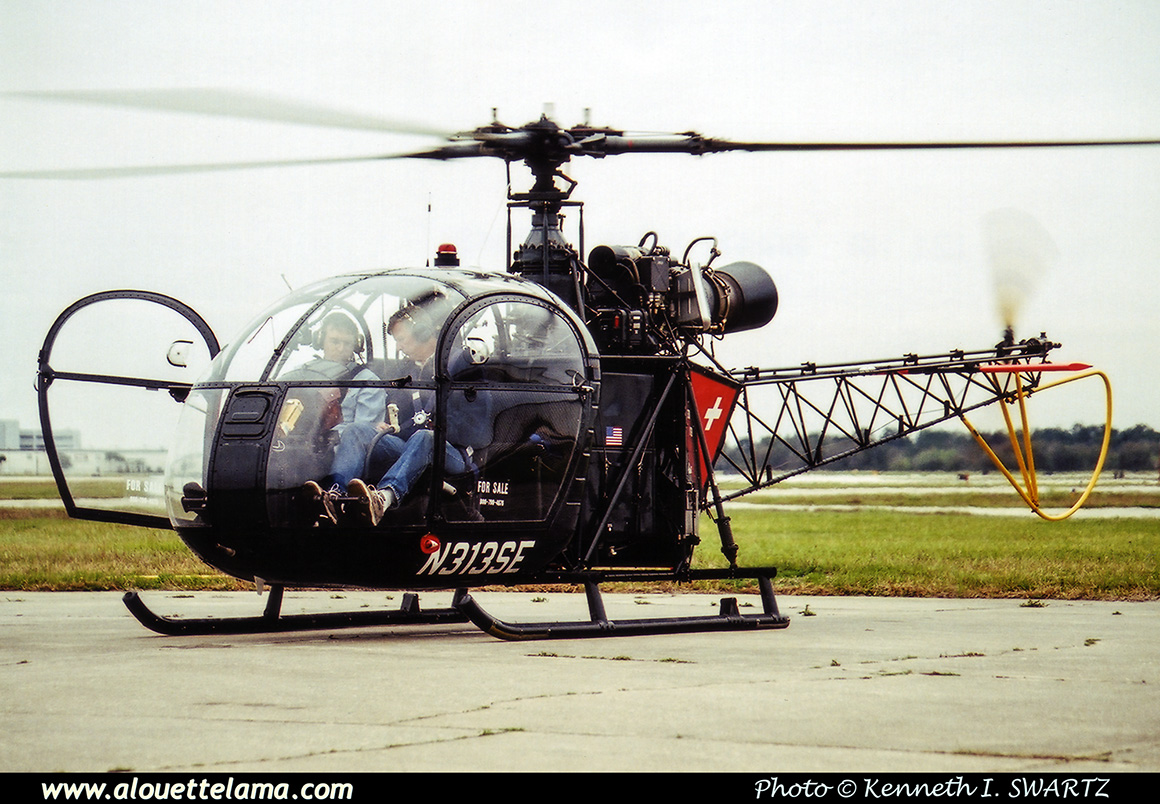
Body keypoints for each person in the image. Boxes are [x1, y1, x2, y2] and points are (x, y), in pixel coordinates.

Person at [298, 312, 384, 522]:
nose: (340, 348)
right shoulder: (301, 374)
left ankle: (334, 495)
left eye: (346, 343)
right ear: (321, 340)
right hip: (301, 446)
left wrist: (326, 439)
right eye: (334, 341)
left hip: (336, 451)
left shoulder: (367, 381)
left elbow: (361, 435)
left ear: (355, 345)